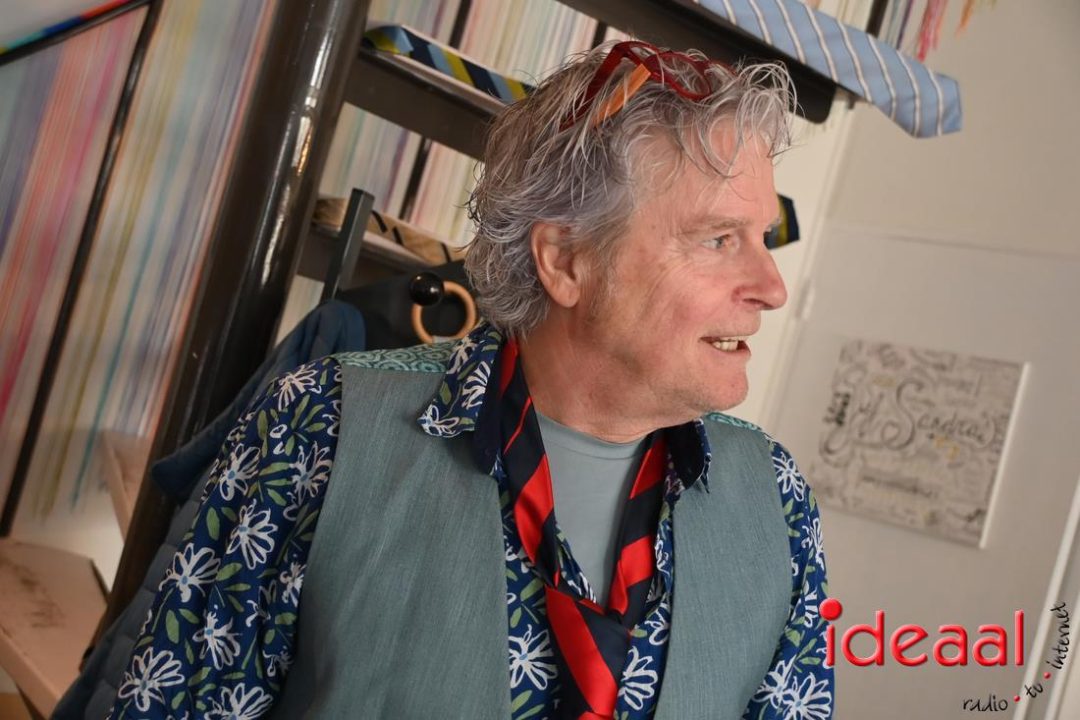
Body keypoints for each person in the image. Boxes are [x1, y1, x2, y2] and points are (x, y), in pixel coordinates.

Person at [106, 40, 832, 720]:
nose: (771, 287)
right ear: (566, 261)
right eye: (718, 239)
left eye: (761, 237)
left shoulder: (775, 499)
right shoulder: (322, 427)